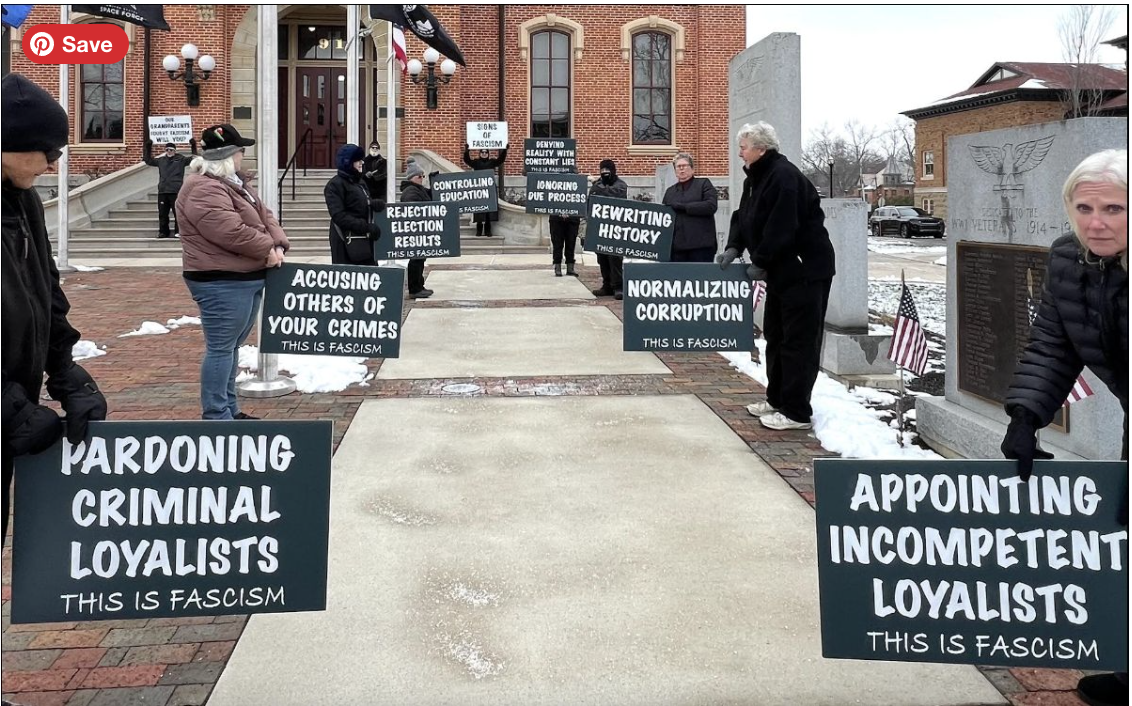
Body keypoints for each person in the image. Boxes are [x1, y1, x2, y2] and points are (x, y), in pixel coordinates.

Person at [1000, 149, 1127, 706]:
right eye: (1085, 207)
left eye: (1114, 208)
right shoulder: (1068, 261)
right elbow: (1054, 343)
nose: (1097, 221)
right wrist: (1027, 415)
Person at [2, 73, 107, 540]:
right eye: (47, 150)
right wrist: (10, 409)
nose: (54, 163)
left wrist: (66, 371)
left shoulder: (23, 203)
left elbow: (46, 290)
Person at [720, 121, 835, 431]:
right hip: (781, 272)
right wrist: (734, 246)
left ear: (762, 148)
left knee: (798, 340)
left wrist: (761, 259)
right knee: (775, 334)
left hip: (804, 270)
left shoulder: (784, 177)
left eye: (743, 146)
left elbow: (782, 225)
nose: (739, 152)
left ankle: (797, 411)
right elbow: (743, 216)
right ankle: (776, 399)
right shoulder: (755, 179)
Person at [176, 124, 290, 420]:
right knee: (221, 349)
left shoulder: (233, 183)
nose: (243, 155)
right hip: (220, 280)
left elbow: (265, 215)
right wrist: (267, 249)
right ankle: (216, 415)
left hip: (244, 277)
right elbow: (230, 231)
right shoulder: (202, 187)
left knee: (230, 348)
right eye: (241, 150)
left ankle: (230, 409)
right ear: (229, 154)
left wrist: (277, 243)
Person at [325, 143, 384, 266]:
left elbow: (360, 203)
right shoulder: (335, 185)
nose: (361, 162)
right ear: (348, 162)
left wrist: (372, 204)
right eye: (357, 160)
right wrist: (365, 227)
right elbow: (339, 216)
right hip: (346, 241)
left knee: (371, 277)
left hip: (364, 241)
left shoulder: (360, 183)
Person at [662, 152, 719, 262]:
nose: (681, 169)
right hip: (677, 248)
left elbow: (711, 206)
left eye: (685, 166)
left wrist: (684, 207)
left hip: (701, 246)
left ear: (692, 169)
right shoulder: (670, 191)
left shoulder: (704, 184)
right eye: (678, 167)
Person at [589, 159, 629, 299]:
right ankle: (606, 285)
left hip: (616, 228)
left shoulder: (621, 185)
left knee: (615, 258)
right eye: (602, 170)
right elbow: (591, 202)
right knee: (602, 258)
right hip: (600, 227)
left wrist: (598, 187)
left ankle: (618, 286)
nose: (605, 173)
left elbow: (615, 195)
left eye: (607, 170)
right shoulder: (597, 185)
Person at [143, 138, 197, 239]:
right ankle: (163, 232)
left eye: (171, 150)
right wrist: (148, 146)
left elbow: (194, 159)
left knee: (178, 213)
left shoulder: (181, 159)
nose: (169, 151)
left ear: (175, 151)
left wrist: (193, 146)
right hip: (163, 191)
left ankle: (178, 231)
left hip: (176, 191)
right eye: (167, 149)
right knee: (163, 213)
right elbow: (148, 161)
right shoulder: (161, 160)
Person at [400, 162, 434, 299]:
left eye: (423, 176)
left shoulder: (418, 189)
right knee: (416, 259)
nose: (422, 178)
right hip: (415, 230)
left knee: (420, 258)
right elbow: (412, 208)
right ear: (411, 177)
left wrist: (435, 181)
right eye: (419, 176)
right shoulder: (410, 191)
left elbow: (432, 195)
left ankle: (419, 285)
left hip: (421, 229)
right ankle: (414, 289)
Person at [463, 142, 508, 237]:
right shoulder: (476, 162)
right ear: (480, 153)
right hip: (479, 188)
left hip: (489, 188)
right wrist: (467, 151)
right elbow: (467, 160)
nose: (484, 154)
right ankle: (479, 230)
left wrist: (504, 150)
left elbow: (501, 160)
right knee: (479, 209)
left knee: (489, 210)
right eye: (482, 152)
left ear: (488, 153)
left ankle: (488, 230)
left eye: (486, 152)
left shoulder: (492, 162)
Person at [550, 210, 580, 277]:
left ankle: (570, 268)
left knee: (571, 243)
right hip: (556, 218)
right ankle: (557, 267)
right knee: (557, 244)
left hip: (573, 218)